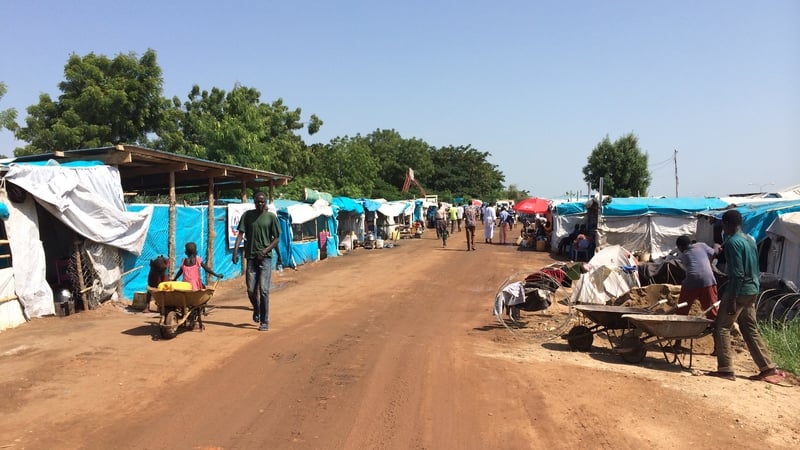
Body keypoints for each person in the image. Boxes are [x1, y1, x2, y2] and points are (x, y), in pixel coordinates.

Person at [706, 210, 784, 383]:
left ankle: (725, 369)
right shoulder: (750, 239)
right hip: (753, 289)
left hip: (739, 290)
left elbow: (738, 274)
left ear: (726, 225)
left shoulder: (732, 242)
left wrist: (732, 298)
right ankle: (767, 367)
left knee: (722, 327)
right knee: (750, 328)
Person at [232, 191, 280, 332]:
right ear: (254, 202)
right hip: (251, 258)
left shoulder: (271, 217)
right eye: (258, 201)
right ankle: (257, 308)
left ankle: (264, 321)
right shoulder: (247, 216)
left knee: (264, 290)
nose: (260, 204)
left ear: (265, 203)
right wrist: (235, 252)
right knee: (251, 290)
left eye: (262, 201)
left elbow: (276, 239)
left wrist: (265, 251)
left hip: (265, 259)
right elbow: (240, 234)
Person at [672, 235, 719, 352]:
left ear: (681, 247)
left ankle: (677, 344)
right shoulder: (702, 245)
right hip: (708, 281)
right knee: (713, 314)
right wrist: (716, 245)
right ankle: (718, 348)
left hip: (691, 283)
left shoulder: (683, 256)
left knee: (681, 312)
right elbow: (715, 253)